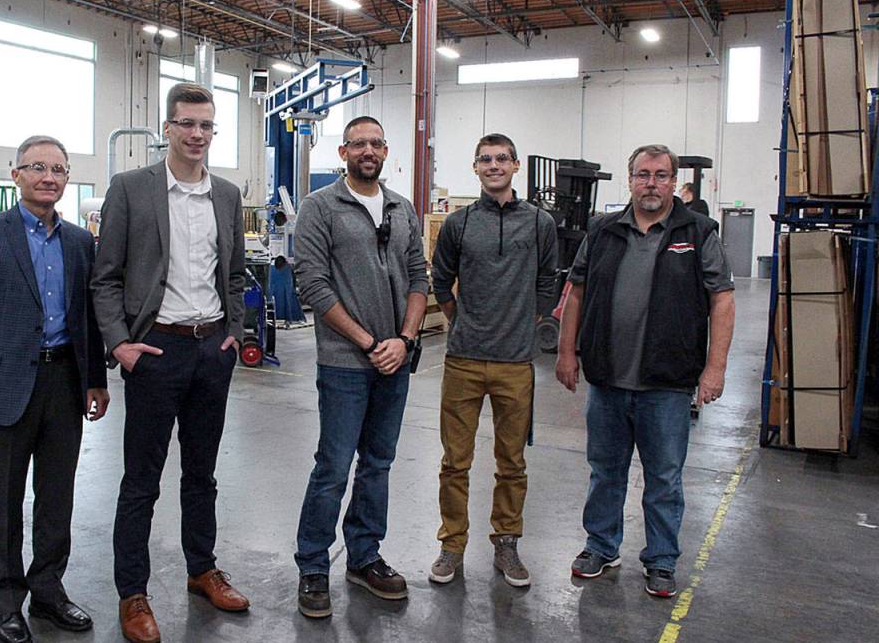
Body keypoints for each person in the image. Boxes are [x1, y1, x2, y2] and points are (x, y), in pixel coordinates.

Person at [90, 83, 248, 643]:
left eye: (206, 126)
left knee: (201, 474)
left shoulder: (226, 195)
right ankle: (132, 593)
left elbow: (233, 274)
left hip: (212, 351)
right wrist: (120, 345)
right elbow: (105, 278)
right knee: (142, 479)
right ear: (167, 129)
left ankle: (201, 569)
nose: (197, 135)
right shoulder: (131, 189)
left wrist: (234, 333)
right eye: (187, 124)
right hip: (155, 350)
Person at [0, 135, 109, 643]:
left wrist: (96, 379)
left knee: (56, 497)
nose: (49, 177)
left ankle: (49, 592)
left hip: (64, 382)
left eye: (58, 169)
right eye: (37, 167)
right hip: (6, 385)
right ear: (15, 175)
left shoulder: (81, 242)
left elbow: (89, 319)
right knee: (6, 499)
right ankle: (5, 601)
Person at [555, 144, 735, 598]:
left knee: (663, 478)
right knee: (605, 470)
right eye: (642, 175)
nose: (650, 183)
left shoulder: (697, 231)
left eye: (660, 175)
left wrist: (714, 369)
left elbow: (722, 299)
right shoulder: (603, 231)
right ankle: (601, 545)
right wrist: (565, 352)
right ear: (630, 181)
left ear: (674, 182)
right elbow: (575, 292)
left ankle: (660, 560)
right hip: (609, 378)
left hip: (667, 384)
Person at [292, 116, 429, 618]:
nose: (368, 150)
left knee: (379, 464)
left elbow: (419, 275)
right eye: (358, 144)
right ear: (343, 153)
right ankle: (312, 564)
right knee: (333, 465)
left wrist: (405, 339)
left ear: (386, 150)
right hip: (346, 363)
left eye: (376, 142)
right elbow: (312, 284)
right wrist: (371, 342)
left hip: (396, 360)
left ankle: (364, 556)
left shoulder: (402, 207)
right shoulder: (320, 207)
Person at [428, 133, 558, 586]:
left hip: (515, 364)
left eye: (502, 159)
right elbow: (441, 280)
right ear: (476, 167)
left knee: (512, 462)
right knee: (454, 463)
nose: (494, 166)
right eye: (486, 159)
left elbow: (548, 280)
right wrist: (461, 321)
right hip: (463, 360)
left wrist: (527, 322)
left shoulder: (540, 222)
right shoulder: (460, 224)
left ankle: (506, 542)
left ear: (516, 166)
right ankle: (452, 545)